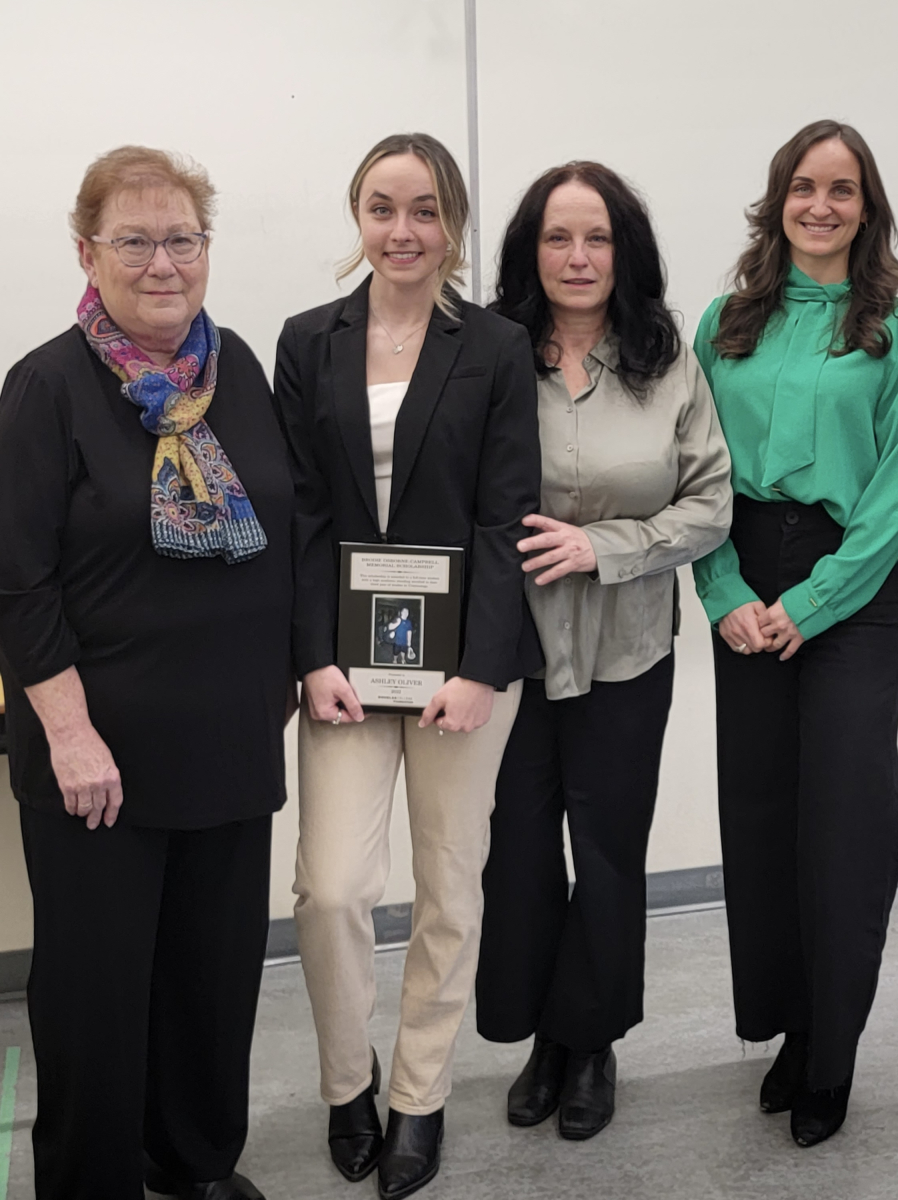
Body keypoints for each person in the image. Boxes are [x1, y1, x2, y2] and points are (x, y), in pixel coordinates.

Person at [0, 146, 293, 1200]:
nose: (161, 261)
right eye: (134, 239)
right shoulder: (45, 386)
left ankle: (196, 1161)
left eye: (182, 238)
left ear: (206, 250)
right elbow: (18, 582)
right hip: (100, 761)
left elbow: (289, 529)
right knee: (95, 996)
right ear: (87, 251)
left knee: (211, 983)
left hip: (229, 736)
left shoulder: (242, 371)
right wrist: (70, 733)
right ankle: (90, 1182)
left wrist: (295, 682)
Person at [274, 133, 540, 1199]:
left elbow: (505, 513)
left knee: (448, 891)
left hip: (460, 675)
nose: (403, 231)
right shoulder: (308, 342)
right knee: (332, 891)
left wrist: (481, 666)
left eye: (424, 210)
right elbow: (297, 512)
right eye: (382, 208)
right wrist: (307, 658)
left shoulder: (496, 347)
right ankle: (349, 1082)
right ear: (357, 217)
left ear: (453, 223)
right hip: (342, 669)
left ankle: (418, 1097)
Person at [474, 162, 732, 1139]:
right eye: (557, 237)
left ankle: (591, 1044)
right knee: (524, 855)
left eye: (598, 238)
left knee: (611, 851)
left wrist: (606, 546)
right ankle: (543, 1031)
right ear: (528, 251)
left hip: (629, 647)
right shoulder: (490, 355)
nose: (577, 257)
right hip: (512, 652)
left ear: (624, 250)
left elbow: (710, 505)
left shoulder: (667, 360)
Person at [692, 121, 898, 1148]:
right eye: (803, 187)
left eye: (842, 190)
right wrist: (723, 591)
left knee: (845, 825)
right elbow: (691, 470)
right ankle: (792, 1028)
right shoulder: (723, 322)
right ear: (777, 201)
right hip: (744, 579)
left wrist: (812, 604)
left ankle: (832, 1051)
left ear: (866, 206)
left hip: (849, 589)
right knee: (761, 822)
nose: (821, 206)